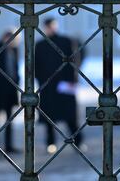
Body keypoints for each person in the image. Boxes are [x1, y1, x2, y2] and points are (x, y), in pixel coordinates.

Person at [35, 18, 83, 153]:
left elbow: (75, 61)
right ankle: (50, 143)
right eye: (48, 26)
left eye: (52, 26)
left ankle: (77, 141)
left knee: (70, 116)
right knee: (49, 117)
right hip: (48, 86)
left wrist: (73, 80)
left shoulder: (67, 41)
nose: (50, 28)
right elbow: (35, 65)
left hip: (65, 84)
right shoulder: (40, 45)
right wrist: (40, 80)